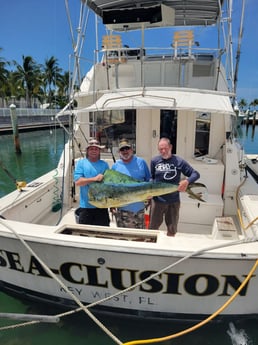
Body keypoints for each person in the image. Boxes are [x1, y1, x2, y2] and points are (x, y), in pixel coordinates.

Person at [149, 137, 200, 236]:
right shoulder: (154, 161)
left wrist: (186, 181)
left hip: (173, 201)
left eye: (165, 148)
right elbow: (152, 177)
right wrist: (150, 190)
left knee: (172, 229)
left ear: (171, 147)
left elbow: (196, 174)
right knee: (152, 229)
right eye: (160, 149)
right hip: (157, 201)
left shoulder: (179, 161)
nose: (163, 151)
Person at [111, 138, 151, 228]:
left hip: (139, 209)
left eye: (127, 148)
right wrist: (111, 206)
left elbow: (149, 181)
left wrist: (150, 198)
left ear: (131, 149)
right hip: (122, 210)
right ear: (119, 152)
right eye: (122, 149)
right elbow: (112, 188)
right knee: (123, 238)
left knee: (139, 238)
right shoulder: (115, 166)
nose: (125, 151)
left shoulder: (141, 162)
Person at [74, 138, 110, 226]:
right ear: (87, 150)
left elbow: (108, 186)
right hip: (86, 206)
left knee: (104, 234)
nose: (94, 151)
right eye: (91, 149)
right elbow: (78, 182)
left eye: (96, 149)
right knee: (85, 235)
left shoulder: (104, 165)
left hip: (102, 206)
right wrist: (94, 179)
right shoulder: (81, 163)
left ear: (99, 151)